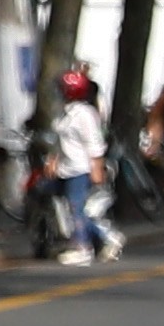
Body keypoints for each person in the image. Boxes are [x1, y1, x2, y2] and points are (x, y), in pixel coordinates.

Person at [45, 72, 120, 267]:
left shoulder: (84, 114)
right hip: (65, 168)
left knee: (76, 207)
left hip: (80, 168)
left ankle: (83, 248)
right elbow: (59, 140)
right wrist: (53, 160)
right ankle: (107, 237)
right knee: (68, 207)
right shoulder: (64, 112)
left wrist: (97, 167)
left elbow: (94, 143)